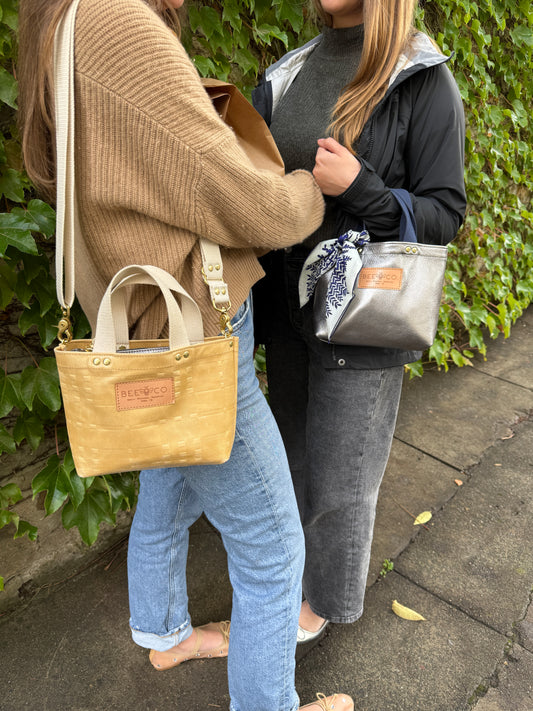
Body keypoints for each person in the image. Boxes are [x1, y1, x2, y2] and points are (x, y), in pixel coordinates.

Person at [17, 0, 355, 709]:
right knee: (272, 550)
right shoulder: (119, 24)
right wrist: (307, 193)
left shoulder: (62, 20)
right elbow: (238, 197)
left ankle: (164, 630)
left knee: (167, 487)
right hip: (192, 325)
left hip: (141, 321)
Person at [252, 0, 467, 648]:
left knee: (343, 477)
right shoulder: (286, 74)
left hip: (363, 314)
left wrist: (361, 187)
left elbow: (444, 213)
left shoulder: (421, 75)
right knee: (289, 455)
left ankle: (324, 603)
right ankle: (292, 576)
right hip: (288, 313)